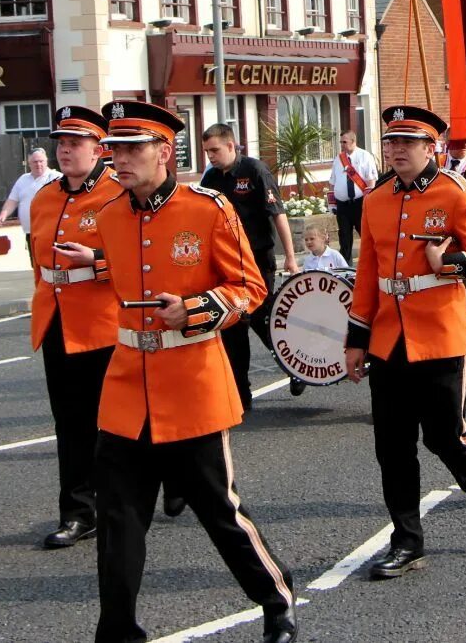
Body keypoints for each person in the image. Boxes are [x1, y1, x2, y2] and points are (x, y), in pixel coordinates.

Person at [61, 100, 296, 643]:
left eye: (132, 148)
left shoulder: (208, 208)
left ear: (164, 152)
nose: (119, 158)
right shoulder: (110, 214)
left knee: (218, 512)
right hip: (126, 389)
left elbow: (251, 289)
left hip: (191, 386)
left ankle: (275, 597)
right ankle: (117, 628)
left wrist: (195, 309)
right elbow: (125, 264)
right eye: (114, 148)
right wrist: (92, 264)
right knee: (119, 522)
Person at [343, 105, 466, 580]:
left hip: (439, 335)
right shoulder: (375, 199)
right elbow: (367, 273)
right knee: (392, 447)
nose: (397, 151)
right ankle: (407, 542)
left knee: (443, 436)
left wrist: (447, 262)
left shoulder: (454, 192)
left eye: (408, 143)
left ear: (431, 147)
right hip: (389, 340)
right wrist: (357, 339)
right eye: (391, 143)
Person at [27, 107, 127, 551]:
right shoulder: (44, 196)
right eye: (60, 143)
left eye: (74, 143)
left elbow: (140, 266)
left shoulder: (117, 196)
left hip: (104, 324)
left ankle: (126, 502)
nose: (64, 150)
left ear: (98, 149)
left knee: (114, 423)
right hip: (57, 321)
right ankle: (78, 512)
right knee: (69, 424)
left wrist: (97, 263)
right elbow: (36, 262)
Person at [200, 123, 301, 405]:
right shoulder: (211, 179)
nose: (211, 156)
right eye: (207, 151)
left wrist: (290, 258)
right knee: (234, 324)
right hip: (227, 263)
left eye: (215, 150)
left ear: (231, 146)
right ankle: (240, 393)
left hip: (257, 258)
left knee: (262, 317)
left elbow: (277, 214)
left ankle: (292, 364)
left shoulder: (255, 171)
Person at [0, 148, 62, 256]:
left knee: (51, 262)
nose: (38, 164)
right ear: (29, 164)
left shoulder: (57, 178)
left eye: (41, 161)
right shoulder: (23, 179)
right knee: (35, 264)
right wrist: (3, 214)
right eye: (35, 162)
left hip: (51, 232)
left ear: (46, 161)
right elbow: (12, 200)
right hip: (30, 232)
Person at [328, 130, 377, 265]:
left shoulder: (365, 156)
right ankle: (346, 268)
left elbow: (371, 182)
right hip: (342, 205)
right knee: (344, 238)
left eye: (344, 142)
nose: (342, 145)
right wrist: (332, 204)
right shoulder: (338, 159)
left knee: (366, 235)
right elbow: (332, 182)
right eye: (341, 142)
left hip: (359, 204)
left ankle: (373, 264)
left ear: (353, 142)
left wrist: (368, 203)